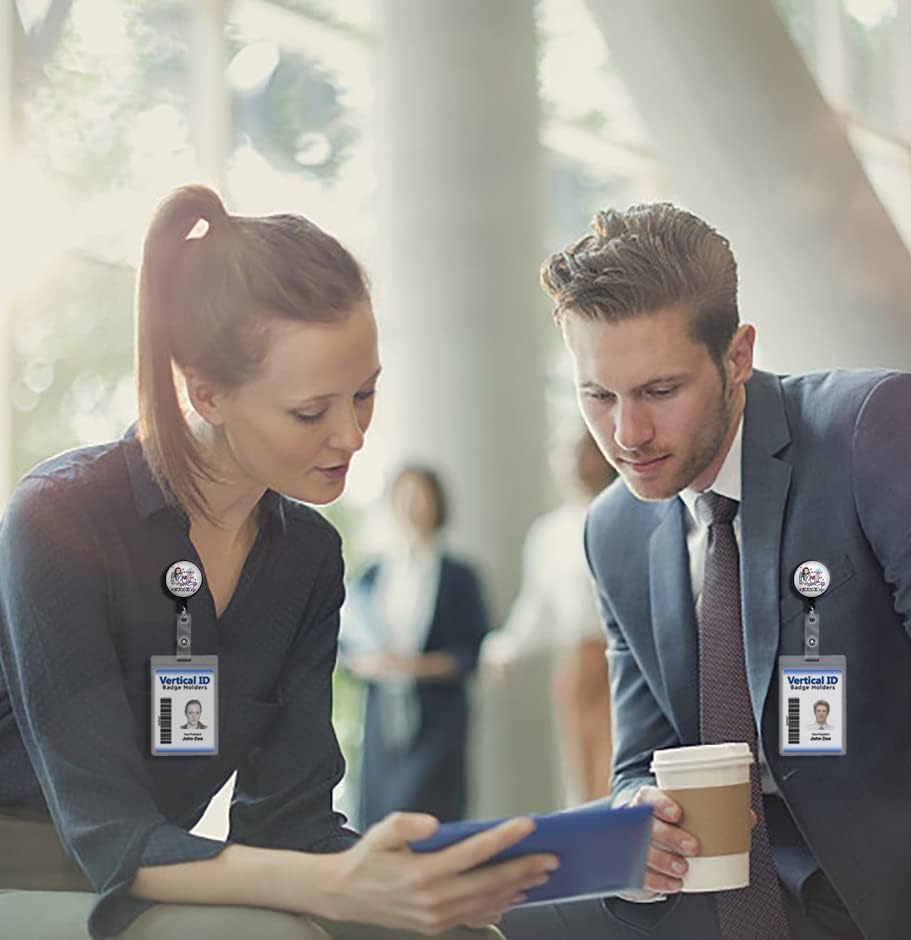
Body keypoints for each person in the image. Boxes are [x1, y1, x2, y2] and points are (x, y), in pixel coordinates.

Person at [0, 185, 557, 940]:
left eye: (364, 395)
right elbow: (112, 835)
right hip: (31, 867)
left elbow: (292, 822)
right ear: (207, 393)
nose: (353, 436)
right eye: (311, 411)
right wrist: (337, 886)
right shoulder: (59, 516)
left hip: (162, 872)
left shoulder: (306, 554)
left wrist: (421, 880)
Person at [502, 203, 911, 940]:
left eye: (659, 392)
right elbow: (639, 759)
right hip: (724, 887)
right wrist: (638, 808)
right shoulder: (613, 530)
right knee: (485, 914)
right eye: (597, 396)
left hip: (895, 888)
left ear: (737, 355)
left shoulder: (876, 428)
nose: (626, 435)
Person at [341, 466, 488, 829]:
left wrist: (415, 667)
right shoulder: (371, 574)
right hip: (382, 713)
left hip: (437, 714)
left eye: (420, 495)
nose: (412, 505)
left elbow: (473, 650)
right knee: (380, 813)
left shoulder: (458, 575)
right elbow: (344, 648)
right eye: (403, 496)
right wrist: (374, 665)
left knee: (429, 809)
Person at [480, 428, 614, 804]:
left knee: (623, 764)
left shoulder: (631, 512)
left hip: (628, 658)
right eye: (566, 452)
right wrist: (504, 650)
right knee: (583, 771)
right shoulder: (549, 533)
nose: (575, 462)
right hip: (580, 662)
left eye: (585, 451)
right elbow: (537, 608)